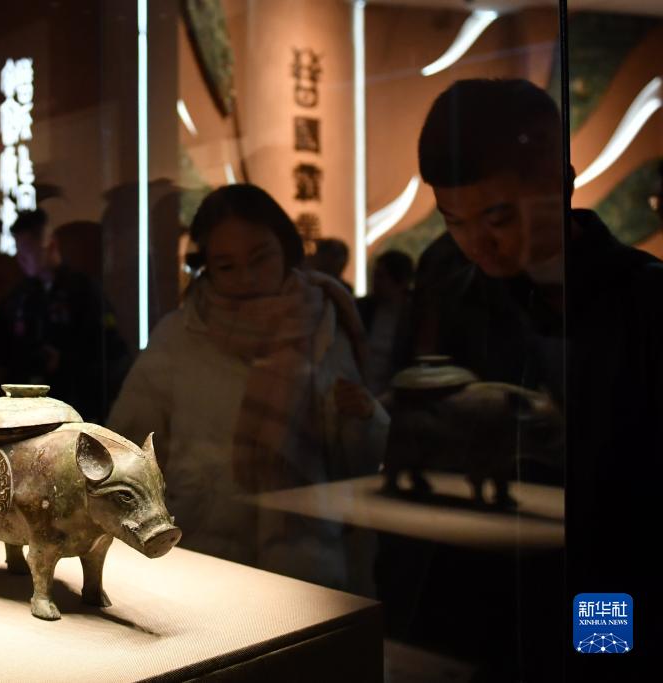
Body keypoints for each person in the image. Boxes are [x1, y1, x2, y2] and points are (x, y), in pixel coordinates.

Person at [415, 78, 662, 681]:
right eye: (454, 221)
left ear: (561, 183)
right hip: (473, 595)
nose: (478, 244)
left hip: (603, 576)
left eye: (497, 217)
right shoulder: (451, 288)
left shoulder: (644, 299)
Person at [108, 184, 387, 589]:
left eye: (260, 258)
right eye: (226, 266)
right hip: (203, 560)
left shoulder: (325, 325)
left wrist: (364, 418)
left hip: (309, 564)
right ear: (206, 266)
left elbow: (357, 463)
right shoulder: (179, 336)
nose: (248, 277)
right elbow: (128, 452)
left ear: (285, 247)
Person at [0, 209, 129, 423]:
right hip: (26, 410)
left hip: (74, 404)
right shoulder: (20, 296)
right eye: (18, 251)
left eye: (28, 250)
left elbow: (107, 351)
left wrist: (64, 361)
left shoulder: (83, 291)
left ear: (50, 245)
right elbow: (3, 346)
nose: (21, 259)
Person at [356, 250, 413, 397]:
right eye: (374, 276)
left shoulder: (413, 316)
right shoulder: (363, 309)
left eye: (381, 277)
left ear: (400, 281)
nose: (375, 282)